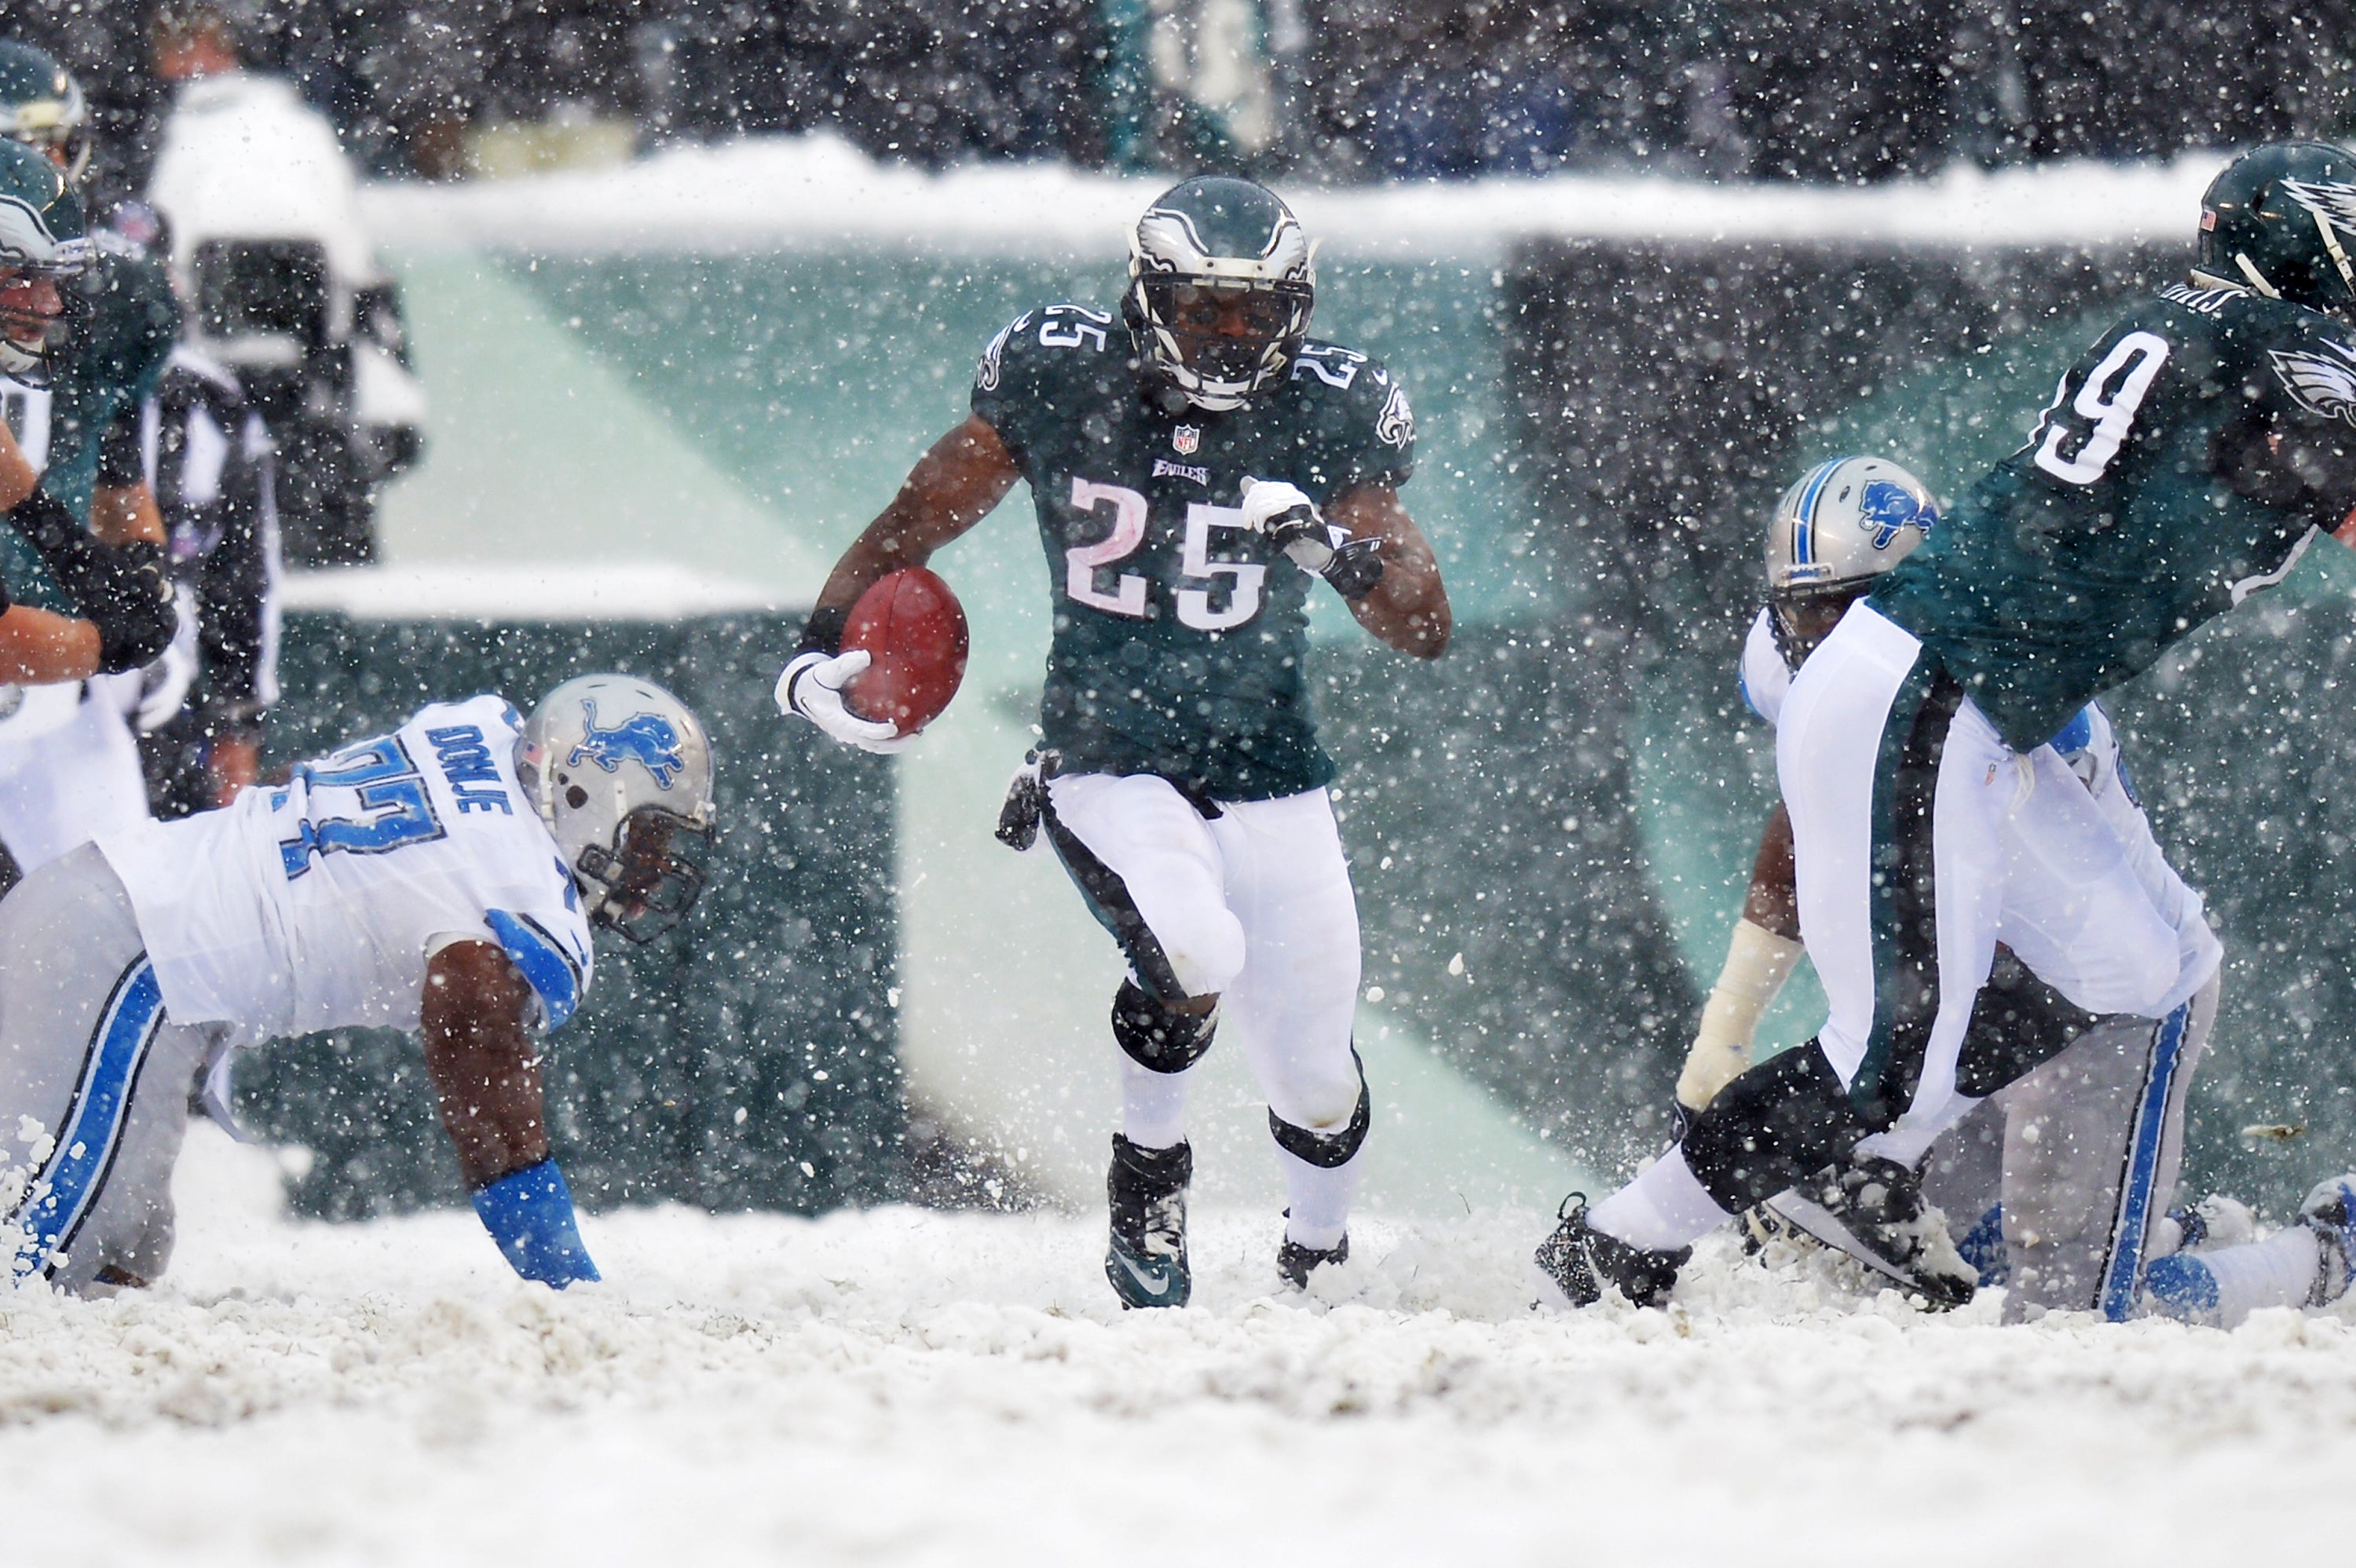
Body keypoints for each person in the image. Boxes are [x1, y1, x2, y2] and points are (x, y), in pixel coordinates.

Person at [1535, 138, 2356, 1314]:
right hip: (1941, 686)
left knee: (2128, 966)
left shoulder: (2211, 335)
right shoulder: (2281, 344)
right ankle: (1622, 1242)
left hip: (1963, 699)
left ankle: (1856, 1162)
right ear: (2296, 235)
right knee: (1885, 1056)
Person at [778, 176, 1450, 1307]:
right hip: (1106, 755)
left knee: (1317, 1074)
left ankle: (1321, 1256)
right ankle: (1149, 1173)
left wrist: (1336, 551)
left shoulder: (1333, 408)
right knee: (1191, 950)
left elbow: (1423, 622)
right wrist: (813, 651)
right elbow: (913, 523)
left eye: (1256, 311)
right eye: (1204, 309)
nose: (1231, 337)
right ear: (1146, 298)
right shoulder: (1061, 374)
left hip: (1274, 771)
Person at [1673, 455, 2222, 1318]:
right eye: (1804, 609)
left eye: (1851, 611)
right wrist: (1727, 1026)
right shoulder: (1794, 661)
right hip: (1971, 999)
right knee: (1886, 1262)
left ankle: (2315, 1255)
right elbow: (1811, 811)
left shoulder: (2019, 692)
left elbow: (2073, 934)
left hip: (2109, 997)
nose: (1825, 641)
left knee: (2067, 1311)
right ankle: (2167, 1228)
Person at [0, 674, 714, 1294]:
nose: (648, 874)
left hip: (107, 910)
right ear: (581, 793)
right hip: (125, 966)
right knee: (26, 1271)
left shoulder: (475, 729)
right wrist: (564, 1276)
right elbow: (480, 1063)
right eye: (643, 840)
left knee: (117, 1258)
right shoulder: (519, 890)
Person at [0, 41, 184, 882]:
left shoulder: (98, 306)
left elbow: (117, 483)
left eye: (61, 151)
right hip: (41, 661)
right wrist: (107, 637)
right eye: (31, 150)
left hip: (59, 713)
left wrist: (143, 576)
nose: (52, 177)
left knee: (142, 934)